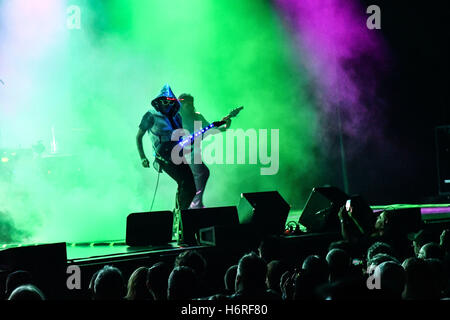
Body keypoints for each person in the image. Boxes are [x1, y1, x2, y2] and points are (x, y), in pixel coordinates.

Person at [136, 84, 197, 211]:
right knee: (185, 182)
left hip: (177, 153)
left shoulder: (177, 117)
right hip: (162, 154)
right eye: (164, 101)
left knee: (189, 184)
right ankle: (181, 214)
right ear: (159, 102)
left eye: (170, 102)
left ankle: (180, 213)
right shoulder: (150, 115)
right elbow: (138, 137)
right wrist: (142, 157)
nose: (167, 105)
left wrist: (188, 144)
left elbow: (180, 137)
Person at [178, 93, 231, 208]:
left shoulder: (197, 116)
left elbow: (211, 129)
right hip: (181, 153)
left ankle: (195, 203)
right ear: (181, 105)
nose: (191, 107)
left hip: (195, 152)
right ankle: (191, 204)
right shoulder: (177, 117)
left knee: (202, 174)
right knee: (198, 175)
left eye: (192, 104)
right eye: (187, 104)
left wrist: (226, 126)